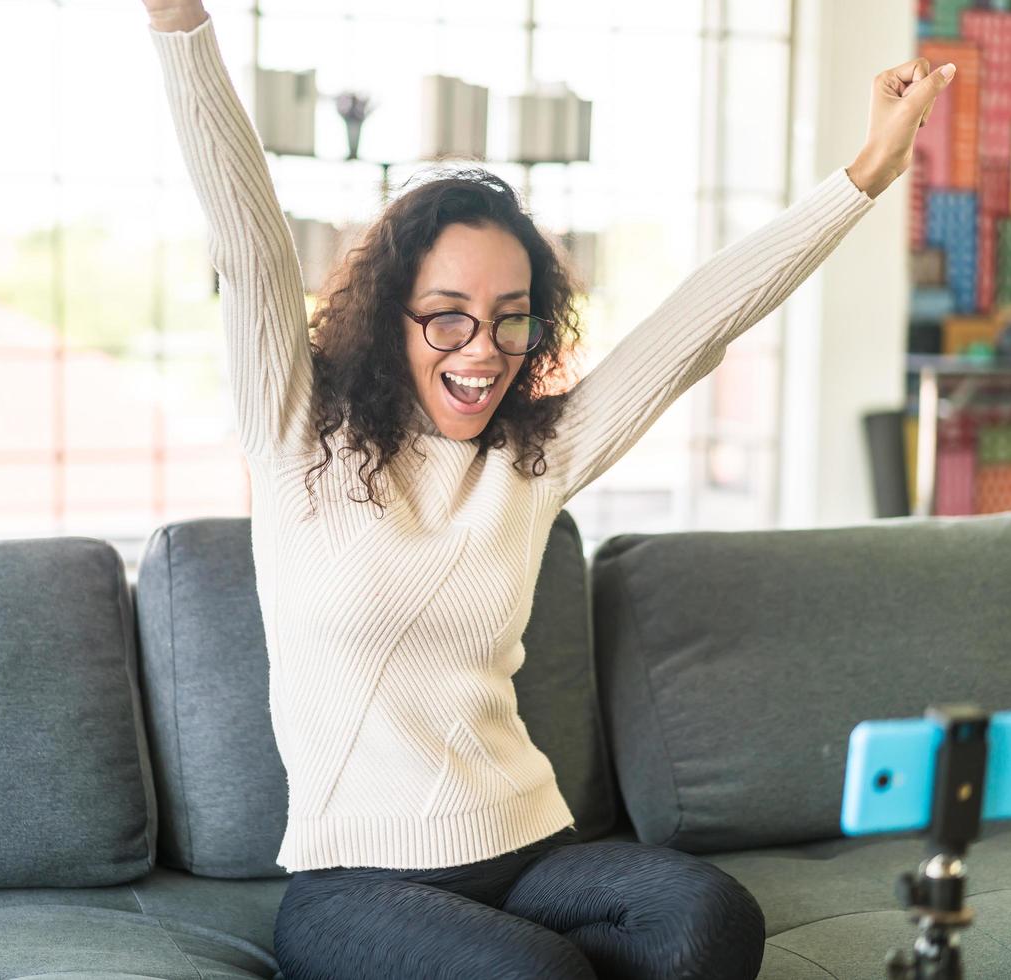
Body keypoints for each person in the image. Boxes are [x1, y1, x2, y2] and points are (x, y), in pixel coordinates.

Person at [139, 3, 953, 977]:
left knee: (709, 917)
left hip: (533, 856)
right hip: (356, 885)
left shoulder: (531, 460)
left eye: (510, 318)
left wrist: (865, 176)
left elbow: (697, 322)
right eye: (447, 317)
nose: (483, 349)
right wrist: (181, 23)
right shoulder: (300, 437)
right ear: (388, 318)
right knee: (538, 974)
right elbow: (249, 239)